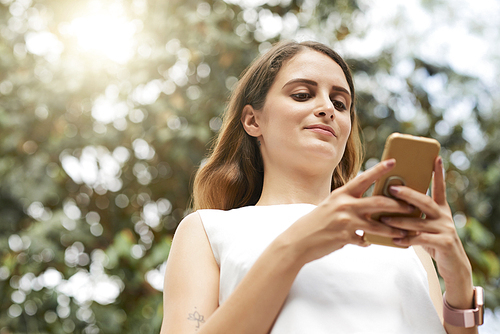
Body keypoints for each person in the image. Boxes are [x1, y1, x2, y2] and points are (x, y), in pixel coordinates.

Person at [159, 41, 481, 334]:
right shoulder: (208, 230)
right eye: (302, 94)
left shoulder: (407, 246)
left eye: (340, 104)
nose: (327, 108)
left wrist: (460, 287)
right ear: (253, 121)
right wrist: (296, 246)